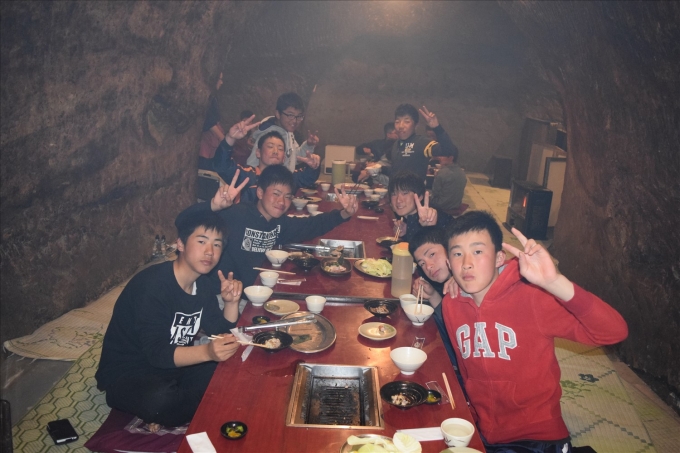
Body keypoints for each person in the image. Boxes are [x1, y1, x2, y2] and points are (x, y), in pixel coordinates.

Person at [442, 211, 628, 452]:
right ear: (449, 263)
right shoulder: (452, 304)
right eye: (457, 254)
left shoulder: (533, 297)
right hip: (484, 431)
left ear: (499, 258)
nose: (466, 263)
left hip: (537, 435)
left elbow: (613, 332)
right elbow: (466, 369)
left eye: (478, 251)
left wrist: (554, 282)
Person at [96, 209, 244, 431]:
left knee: (230, 367)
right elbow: (157, 352)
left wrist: (231, 303)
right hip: (130, 371)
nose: (209, 252)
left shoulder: (202, 285)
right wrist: (207, 353)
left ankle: (178, 405)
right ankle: (169, 406)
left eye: (217, 244)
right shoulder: (152, 286)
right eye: (201, 241)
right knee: (161, 400)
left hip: (172, 367)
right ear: (181, 244)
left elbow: (220, 332)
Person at [176, 164, 358, 287]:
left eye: (288, 196)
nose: (282, 202)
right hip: (222, 294)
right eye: (276, 194)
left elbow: (312, 225)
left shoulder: (278, 224)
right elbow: (182, 221)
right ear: (260, 193)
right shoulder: (236, 215)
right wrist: (213, 206)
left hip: (255, 291)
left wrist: (344, 213)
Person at [211, 115, 321, 202]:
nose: (275, 151)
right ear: (258, 153)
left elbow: (307, 177)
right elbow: (222, 166)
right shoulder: (249, 176)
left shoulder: (287, 177)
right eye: (270, 146)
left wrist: (314, 166)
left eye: (280, 148)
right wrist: (230, 138)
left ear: (284, 158)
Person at [408, 227, 462, 386]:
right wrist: (432, 295)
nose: (429, 266)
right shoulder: (448, 286)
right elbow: (449, 324)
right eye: (422, 263)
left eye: (432, 254)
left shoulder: (469, 283)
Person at [246, 92, 320, 173]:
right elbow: (252, 163)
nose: (295, 121)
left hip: (285, 179)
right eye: (290, 115)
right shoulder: (268, 135)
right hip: (271, 180)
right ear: (278, 114)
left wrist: (309, 145)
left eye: (299, 116)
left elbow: (294, 157)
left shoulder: (288, 132)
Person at [390, 104, 458, 182]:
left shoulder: (422, 143)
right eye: (397, 122)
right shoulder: (396, 144)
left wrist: (437, 128)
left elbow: (448, 151)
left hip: (414, 189)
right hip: (395, 189)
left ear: (416, 125)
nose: (401, 126)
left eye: (407, 121)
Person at [389, 171, 452, 244]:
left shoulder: (432, 217)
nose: (398, 200)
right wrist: (406, 233)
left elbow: (431, 247)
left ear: (420, 196)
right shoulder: (409, 218)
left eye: (405, 193)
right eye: (394, 194)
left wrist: (429, 228)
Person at [198, 72, 225, 170]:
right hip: (209, 138)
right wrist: (220, 136)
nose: (221, 82)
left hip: (213, 138)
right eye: (220, 79)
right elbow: (209, 120)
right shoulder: (208, 98)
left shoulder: (214, 96)